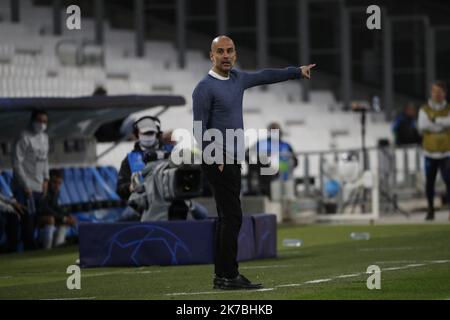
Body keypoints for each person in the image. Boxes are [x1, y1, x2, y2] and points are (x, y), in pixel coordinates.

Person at [192, 35, 315, 290]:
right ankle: (228, 275)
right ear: (211, 55)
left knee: (228, 217)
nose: (226, 56)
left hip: (233, 159)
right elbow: (198, 129)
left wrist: (296, 72)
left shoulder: (238, 79)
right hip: (218, 160)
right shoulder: (204, 87)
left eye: (230, 51)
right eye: (220, 51)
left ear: (235, 55)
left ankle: (222, 276)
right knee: (233, 217)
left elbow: (265, 75)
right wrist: (215, 159)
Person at [117, 116, 208, 220]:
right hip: (144, 200)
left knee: (202, 214)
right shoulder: (129, 159)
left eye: (151, 133)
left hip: (175, 198)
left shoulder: (172, 152)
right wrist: (131, 187)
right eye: (145, 133)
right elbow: (120, 189)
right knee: (124, 219)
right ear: (137, 134)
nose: (148, 136)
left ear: (157, 134)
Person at [12, 109, 50, 250]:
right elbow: (16, 163)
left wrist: (46, 179)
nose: (42, 124)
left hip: (39, 185)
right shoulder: (24, 137)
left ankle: (34, 246)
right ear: (32, 121)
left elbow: (45, 160)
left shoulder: (45, 138)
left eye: (45, 121)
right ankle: (27, 248)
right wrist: (25, 184)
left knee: (36, 219)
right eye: (39, 121)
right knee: (27, 219)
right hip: (25, 186)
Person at [418, 81, 450, 221]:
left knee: (449, 181)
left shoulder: (448, 108)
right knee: (429, 183)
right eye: (434, 91)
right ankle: (430, 210)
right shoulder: (424, 109)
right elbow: (423, 126)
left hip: (446, 152)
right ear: (431, 93)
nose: (437, 94)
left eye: (440, 91)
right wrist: (443, 125)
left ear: (444, 93)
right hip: (429, 153)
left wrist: (435, 120)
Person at [246, 122, 298, 197]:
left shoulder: (286, 145)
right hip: (266, 171)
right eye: (273, 130)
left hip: (283, 171)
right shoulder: (261, 143)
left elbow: (295, 161)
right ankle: (263, 190)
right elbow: (248, 154)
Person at [37, 169, 76, 249]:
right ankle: (46, 250)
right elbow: (45, 209)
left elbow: (55, 207)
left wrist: (68, 216)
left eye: (59, 183)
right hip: (36, 218)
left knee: (67, 221)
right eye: (54, 182)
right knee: (51, 219)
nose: (57, 185)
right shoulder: (43, 191)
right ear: (49, 181)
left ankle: (58, 247)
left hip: (50, 217)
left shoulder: (56, 192)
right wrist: (64, 218)